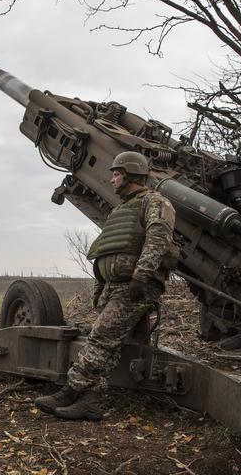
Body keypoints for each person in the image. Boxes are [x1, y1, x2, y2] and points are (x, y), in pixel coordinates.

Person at [35, 151, 177, 421]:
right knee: (106, 345)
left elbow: (158, 237)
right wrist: (101, 284)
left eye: (116, 173)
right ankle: (89, 401)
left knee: (100, 338)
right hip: (116, 285)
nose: (111, 179)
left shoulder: (154, 201)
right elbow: (109, 249)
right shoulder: (122, 208)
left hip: (135, 285)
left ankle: (70, 391)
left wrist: (141, 276)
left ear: (130, 174)